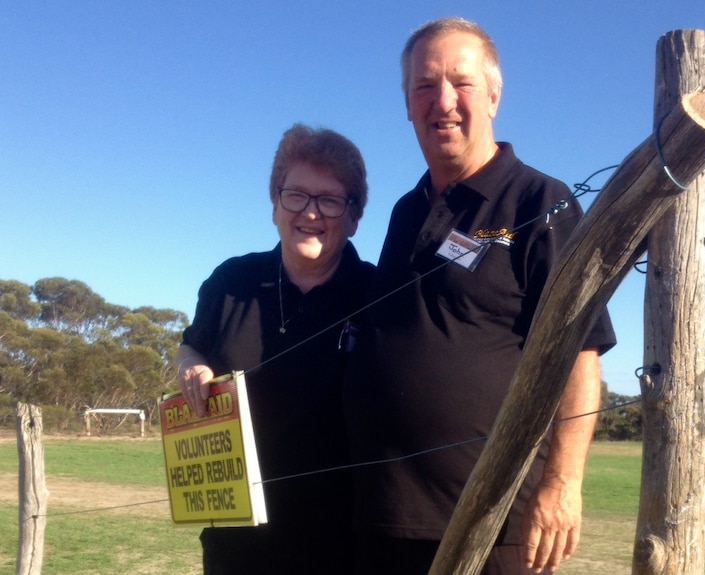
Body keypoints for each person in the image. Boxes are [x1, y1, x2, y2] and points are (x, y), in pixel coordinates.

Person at [343, 17, 616, 575]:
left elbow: (581, 355)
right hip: (385, 520)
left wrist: (562, 484)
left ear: (493, 95)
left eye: (461, 82)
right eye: (424, 85)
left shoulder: (541, 201)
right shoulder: (404, 211)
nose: (442, 100)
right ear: (407, 105)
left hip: (492, 525)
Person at [175, 123, 373, 574]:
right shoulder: (231, 282)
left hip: (343, 544)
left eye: (330, 199)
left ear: (354, 216)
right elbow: (190, 346)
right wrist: (190, 367)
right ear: (274, 205)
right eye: (296, 194)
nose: (310, 212)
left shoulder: (377, 292)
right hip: (235, 542)